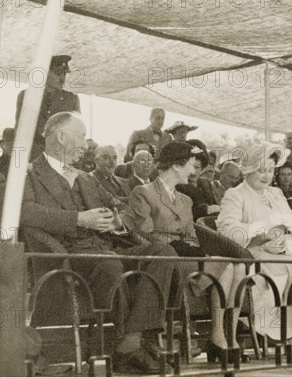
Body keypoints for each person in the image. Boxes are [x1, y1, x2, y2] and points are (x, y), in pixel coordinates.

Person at [19, 112, 177, 374]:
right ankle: (132, 347)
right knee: (110, 263)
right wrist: (79, 219)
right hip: (67, 255)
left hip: (104, 248)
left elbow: (121, 206)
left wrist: (117, 222)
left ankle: (131, 340)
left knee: (163, 252)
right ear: (60, 136)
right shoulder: (29, 174)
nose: (85, 143)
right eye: (80, 136)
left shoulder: (86, 177)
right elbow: (26, 212)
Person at [126, 141, 246, 362]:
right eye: (191, 165)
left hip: (185, 256)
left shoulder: (186, 199)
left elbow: (191, 237)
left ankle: (225, 338)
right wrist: (177, 245)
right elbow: (144, 235)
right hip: (164, 259)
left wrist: (189, 248)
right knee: (228, 265)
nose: (194, 171)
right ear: (176, 166)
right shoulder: (143, 192)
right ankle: (219, 338)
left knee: (236, 266)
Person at [216, 143, 292, 356]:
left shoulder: (276, 193)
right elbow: (228, 232)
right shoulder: (235, 194)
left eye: (271, 170)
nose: (267, 176)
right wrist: (264, 226)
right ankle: (288, 333)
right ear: (249, 169)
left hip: (283, 249)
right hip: (252, 254)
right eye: (261, 170)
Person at [15, 55, 81, 160]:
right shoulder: (27, 96)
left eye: (64, 73)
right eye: (58, 73)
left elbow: (76, 133)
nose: (62, 78)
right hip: (33, 157)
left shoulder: (71, 99)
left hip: (61, 156)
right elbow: (21, 131)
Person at [175, 140, 220, 220]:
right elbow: (181, 212)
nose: (193, 172)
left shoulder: (206, 183)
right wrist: (207, 209)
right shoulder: (178, 185)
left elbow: (215, 206)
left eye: (197, 167)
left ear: (202, 167)